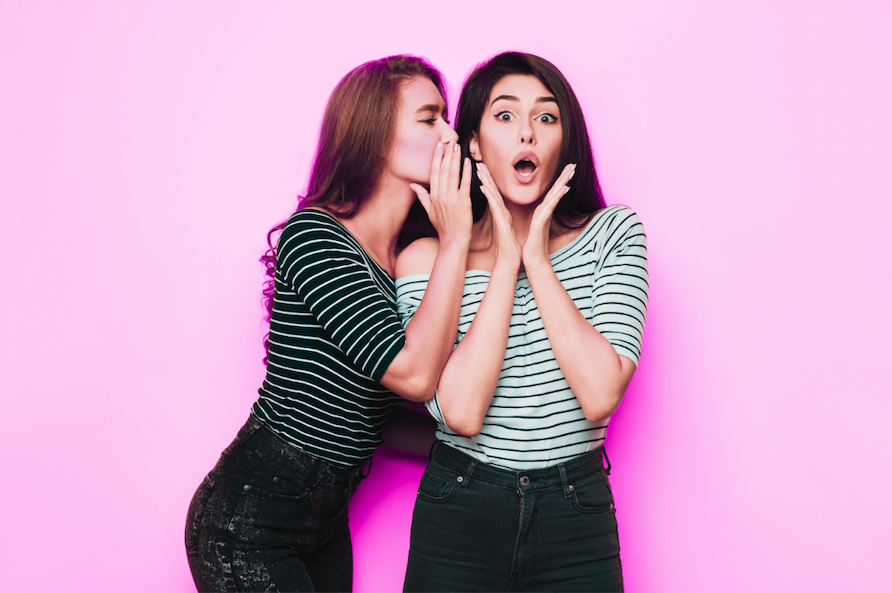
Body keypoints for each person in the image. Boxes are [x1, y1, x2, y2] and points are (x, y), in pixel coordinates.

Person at [185, 54, 474, 592]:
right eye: (429, 117)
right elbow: (413, 376)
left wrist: (500, 446)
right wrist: (456, 239)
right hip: (249, 522)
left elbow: (372, 415)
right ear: (376, 132)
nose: (449, 134)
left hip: (325, 520)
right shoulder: (316, 236)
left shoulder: (408, 263)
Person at [396, 52, 648, 592]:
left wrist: (537, 260)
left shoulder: (615, 235)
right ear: (472, 142)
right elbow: (460, 412)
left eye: (547, 117)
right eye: (505, 116)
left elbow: (601, 393)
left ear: (564, 141)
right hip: (459, 505)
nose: (527, 134)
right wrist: (506, 261)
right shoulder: (428, 257)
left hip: (574, 512)